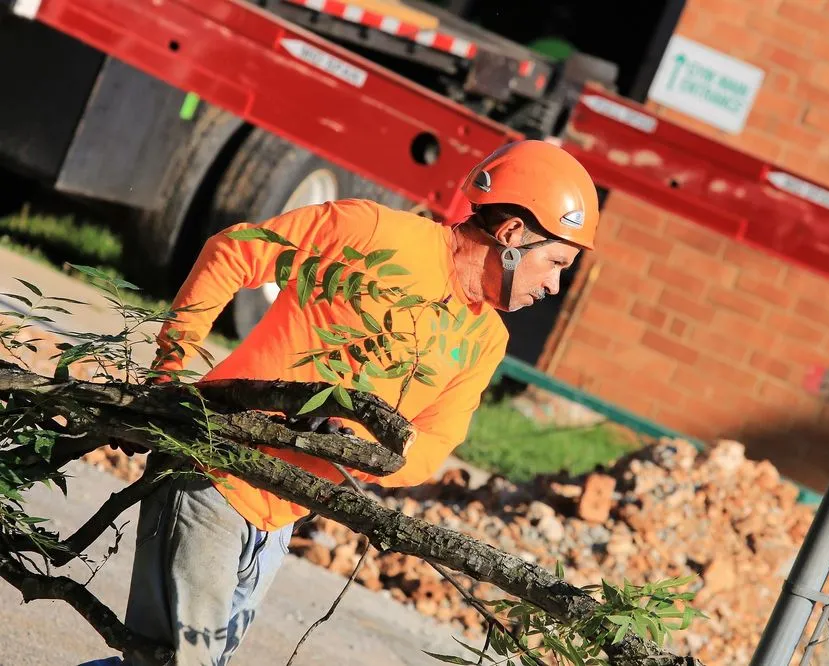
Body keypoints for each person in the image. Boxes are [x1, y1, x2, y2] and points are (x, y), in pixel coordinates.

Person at [93, 139, 600, 666]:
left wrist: (358, 444)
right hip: (213, 473)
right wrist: (168, 378)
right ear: (513, 234)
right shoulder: (375, 234)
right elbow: (235, 251)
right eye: (556, 262)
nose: (553, 285)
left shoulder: (483, 339)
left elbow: (430, 447)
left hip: (281, 516)